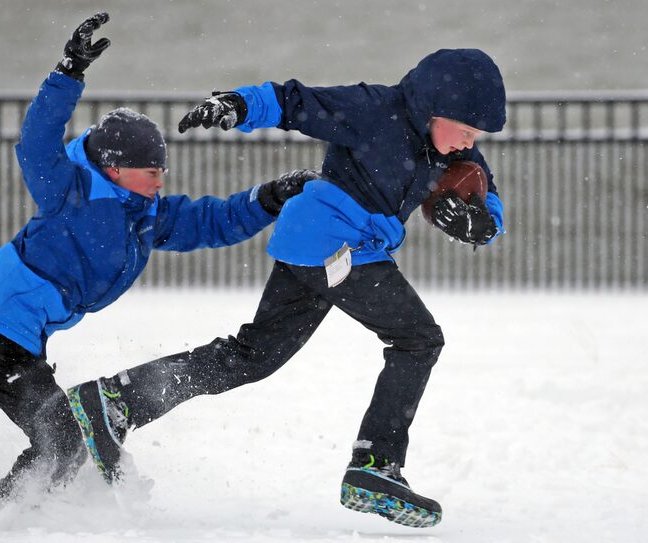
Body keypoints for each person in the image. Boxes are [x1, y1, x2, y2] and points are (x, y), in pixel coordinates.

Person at [0, 12, 316, 526]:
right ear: (116, 168)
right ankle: (0, 510)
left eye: (162, 170)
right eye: (152, 171)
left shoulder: (147, 217)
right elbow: (37, 138)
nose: (161, 180)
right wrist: (69, 70)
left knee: (56, 435)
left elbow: (214, 221)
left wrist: (271, 197)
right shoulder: (68, 191)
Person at [67, 48, 507, 529]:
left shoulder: (454, 149)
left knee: (252, 356)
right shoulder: (375, 110)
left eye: (475, 136)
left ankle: (117, 399)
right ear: (434, 107)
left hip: (310, 245)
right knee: (419, 339)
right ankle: (374, 465)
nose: (468, 143)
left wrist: (482, 225)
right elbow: (295, 101)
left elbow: (486, 193)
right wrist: (238, 104)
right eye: (465, 130)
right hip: (337, 246)